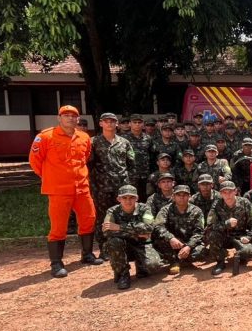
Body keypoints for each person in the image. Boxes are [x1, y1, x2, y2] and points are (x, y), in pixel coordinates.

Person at [29, 105, 95, 278]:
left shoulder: (84, 137)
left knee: (89, 219)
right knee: (59, 226)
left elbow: (85, 157)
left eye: (73, 116)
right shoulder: (45, 136)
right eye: (66, 115)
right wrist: (51, 177)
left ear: (78, 119)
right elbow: (35, 161)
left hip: (81, 187)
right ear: (59, 118)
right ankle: (56, 263)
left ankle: (87, 254)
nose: (70, 118)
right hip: (58, 190)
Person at [86, 112, 136, 263]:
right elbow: (88, 164)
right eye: (106, 121)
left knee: (123, 215)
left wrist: (128, 184)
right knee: (103, 218)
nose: (109, 124)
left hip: (121, 187)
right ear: (101, 123)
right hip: (101, 187)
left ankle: (125, 246)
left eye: (112, 121)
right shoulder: (93, 142)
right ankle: (105, 248)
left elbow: (131, 164)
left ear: (117, 124)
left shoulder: (124, 142)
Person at [101, 185, 166, 289]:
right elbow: (107, 232)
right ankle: (123, 274)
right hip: (123, 246)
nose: (128, 201)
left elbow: (149, 228)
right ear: (118, 199)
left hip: (142, 244)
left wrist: (119, 227)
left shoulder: (145, 208)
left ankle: (140, 265)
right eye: (124, 198)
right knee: (114, 241)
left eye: (131, 197)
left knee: (154, 265)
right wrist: (137, 232)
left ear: (137, 198)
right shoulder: (112, 211)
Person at [204, 181, 252, 276]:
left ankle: (241, 255)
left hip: (241, 236)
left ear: (235, 191)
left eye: (230, 192)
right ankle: (220, 262)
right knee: (213, 235)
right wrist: (226, 224)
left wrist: (250, 237)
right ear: (221, 194)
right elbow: (210, 225)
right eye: (224, 192)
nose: (228, 195)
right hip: (224, 236)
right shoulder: (217, 204)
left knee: (248, 252)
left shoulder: (244, 202)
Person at [152, 184, 206, 275]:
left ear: (189, 197)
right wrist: (171, 238)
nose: (182, 197)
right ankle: (173, 261)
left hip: (188, 242)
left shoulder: (197, 211)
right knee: (159, 240)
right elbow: (158, 226)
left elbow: (199, 231)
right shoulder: (165, 210)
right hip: (171, 243)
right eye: (178, 195)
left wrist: (188, 246)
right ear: (173, 197)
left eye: (185, 195)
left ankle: (183, 260)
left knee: (201, 252)